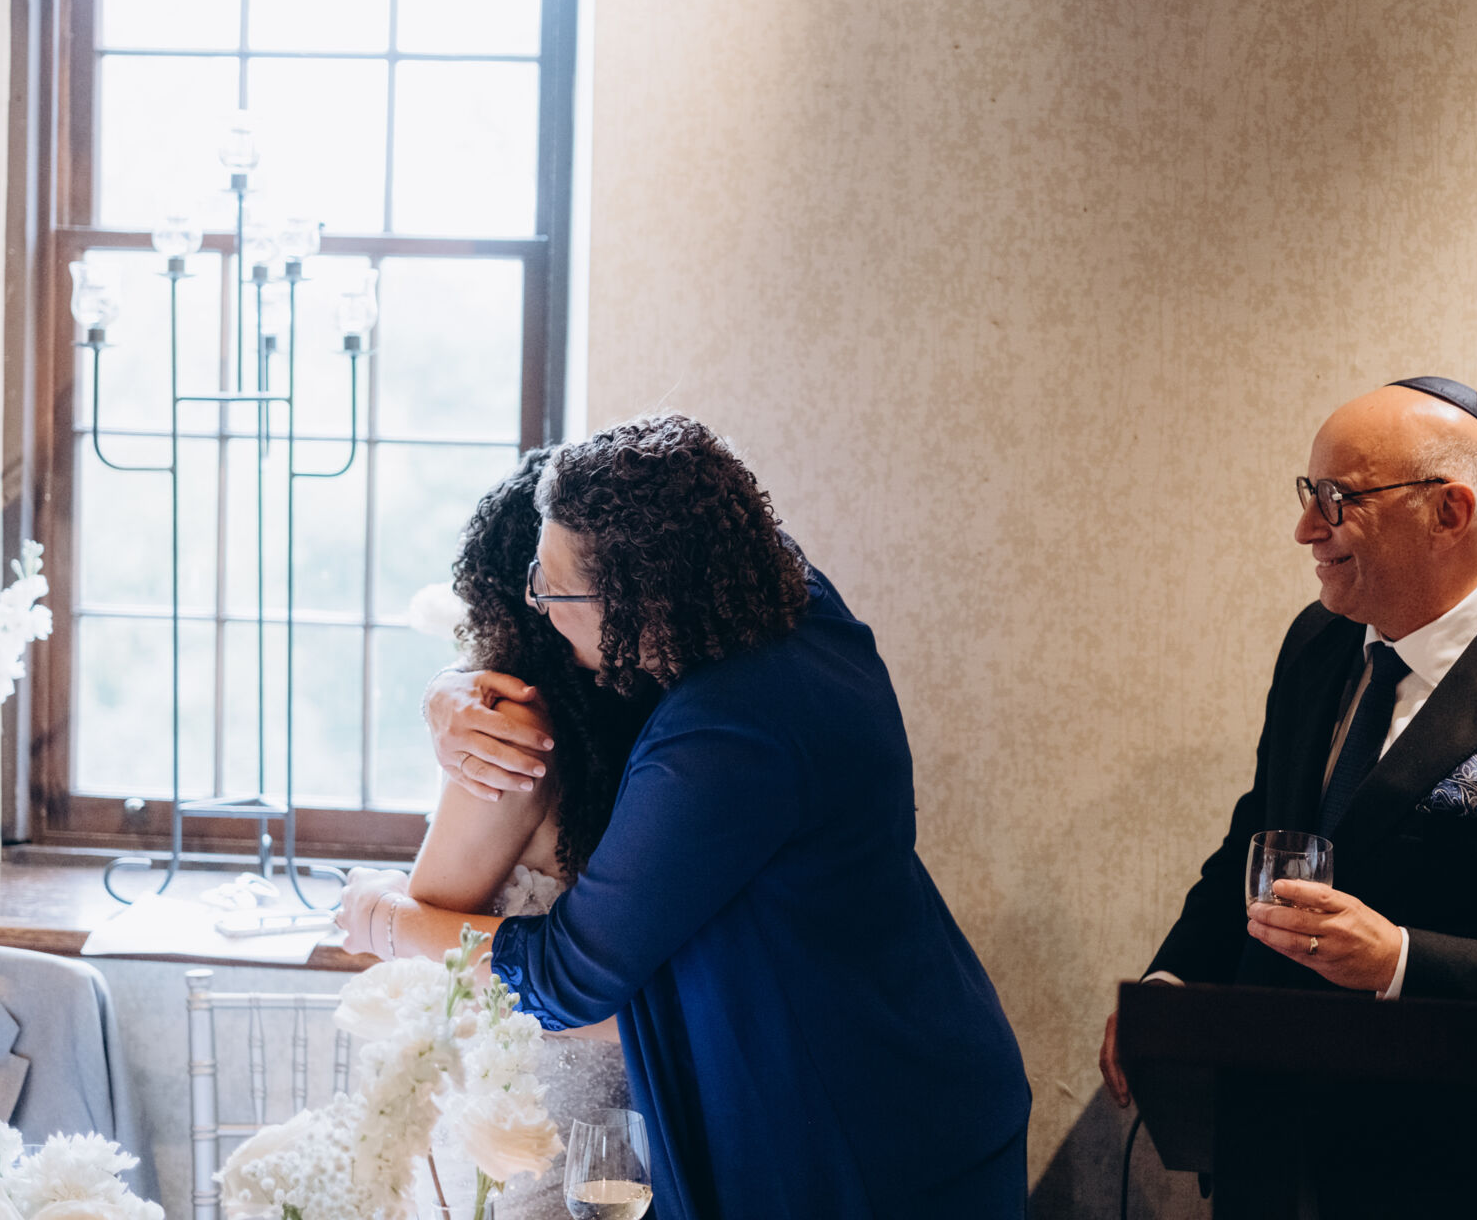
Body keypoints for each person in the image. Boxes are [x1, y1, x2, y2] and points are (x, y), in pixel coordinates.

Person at [339, 415, 1031, 1220]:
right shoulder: (789, 597)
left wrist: (383, 919)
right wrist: (446, 691)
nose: (540, 608)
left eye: (554, 591)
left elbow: (568, 979)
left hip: (858, 1125)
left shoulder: (721, 738)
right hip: (928, 1047)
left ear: (638, 601)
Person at [1098, 379, 1477, 1209]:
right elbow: (1261, 835)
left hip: (1442, 1182)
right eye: (1309, 493)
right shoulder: (1319, 641)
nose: (1306, 528)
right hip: (1264, 1157)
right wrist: (1172, 988)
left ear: (1449, 512)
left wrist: (1401, 961)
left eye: (1338, 499)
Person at [347, 446, 656, 1218]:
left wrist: (377, 912)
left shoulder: (513, 735)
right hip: (635, 1126)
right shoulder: (652, 730)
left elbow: (437, 971)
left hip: (530, 1120)